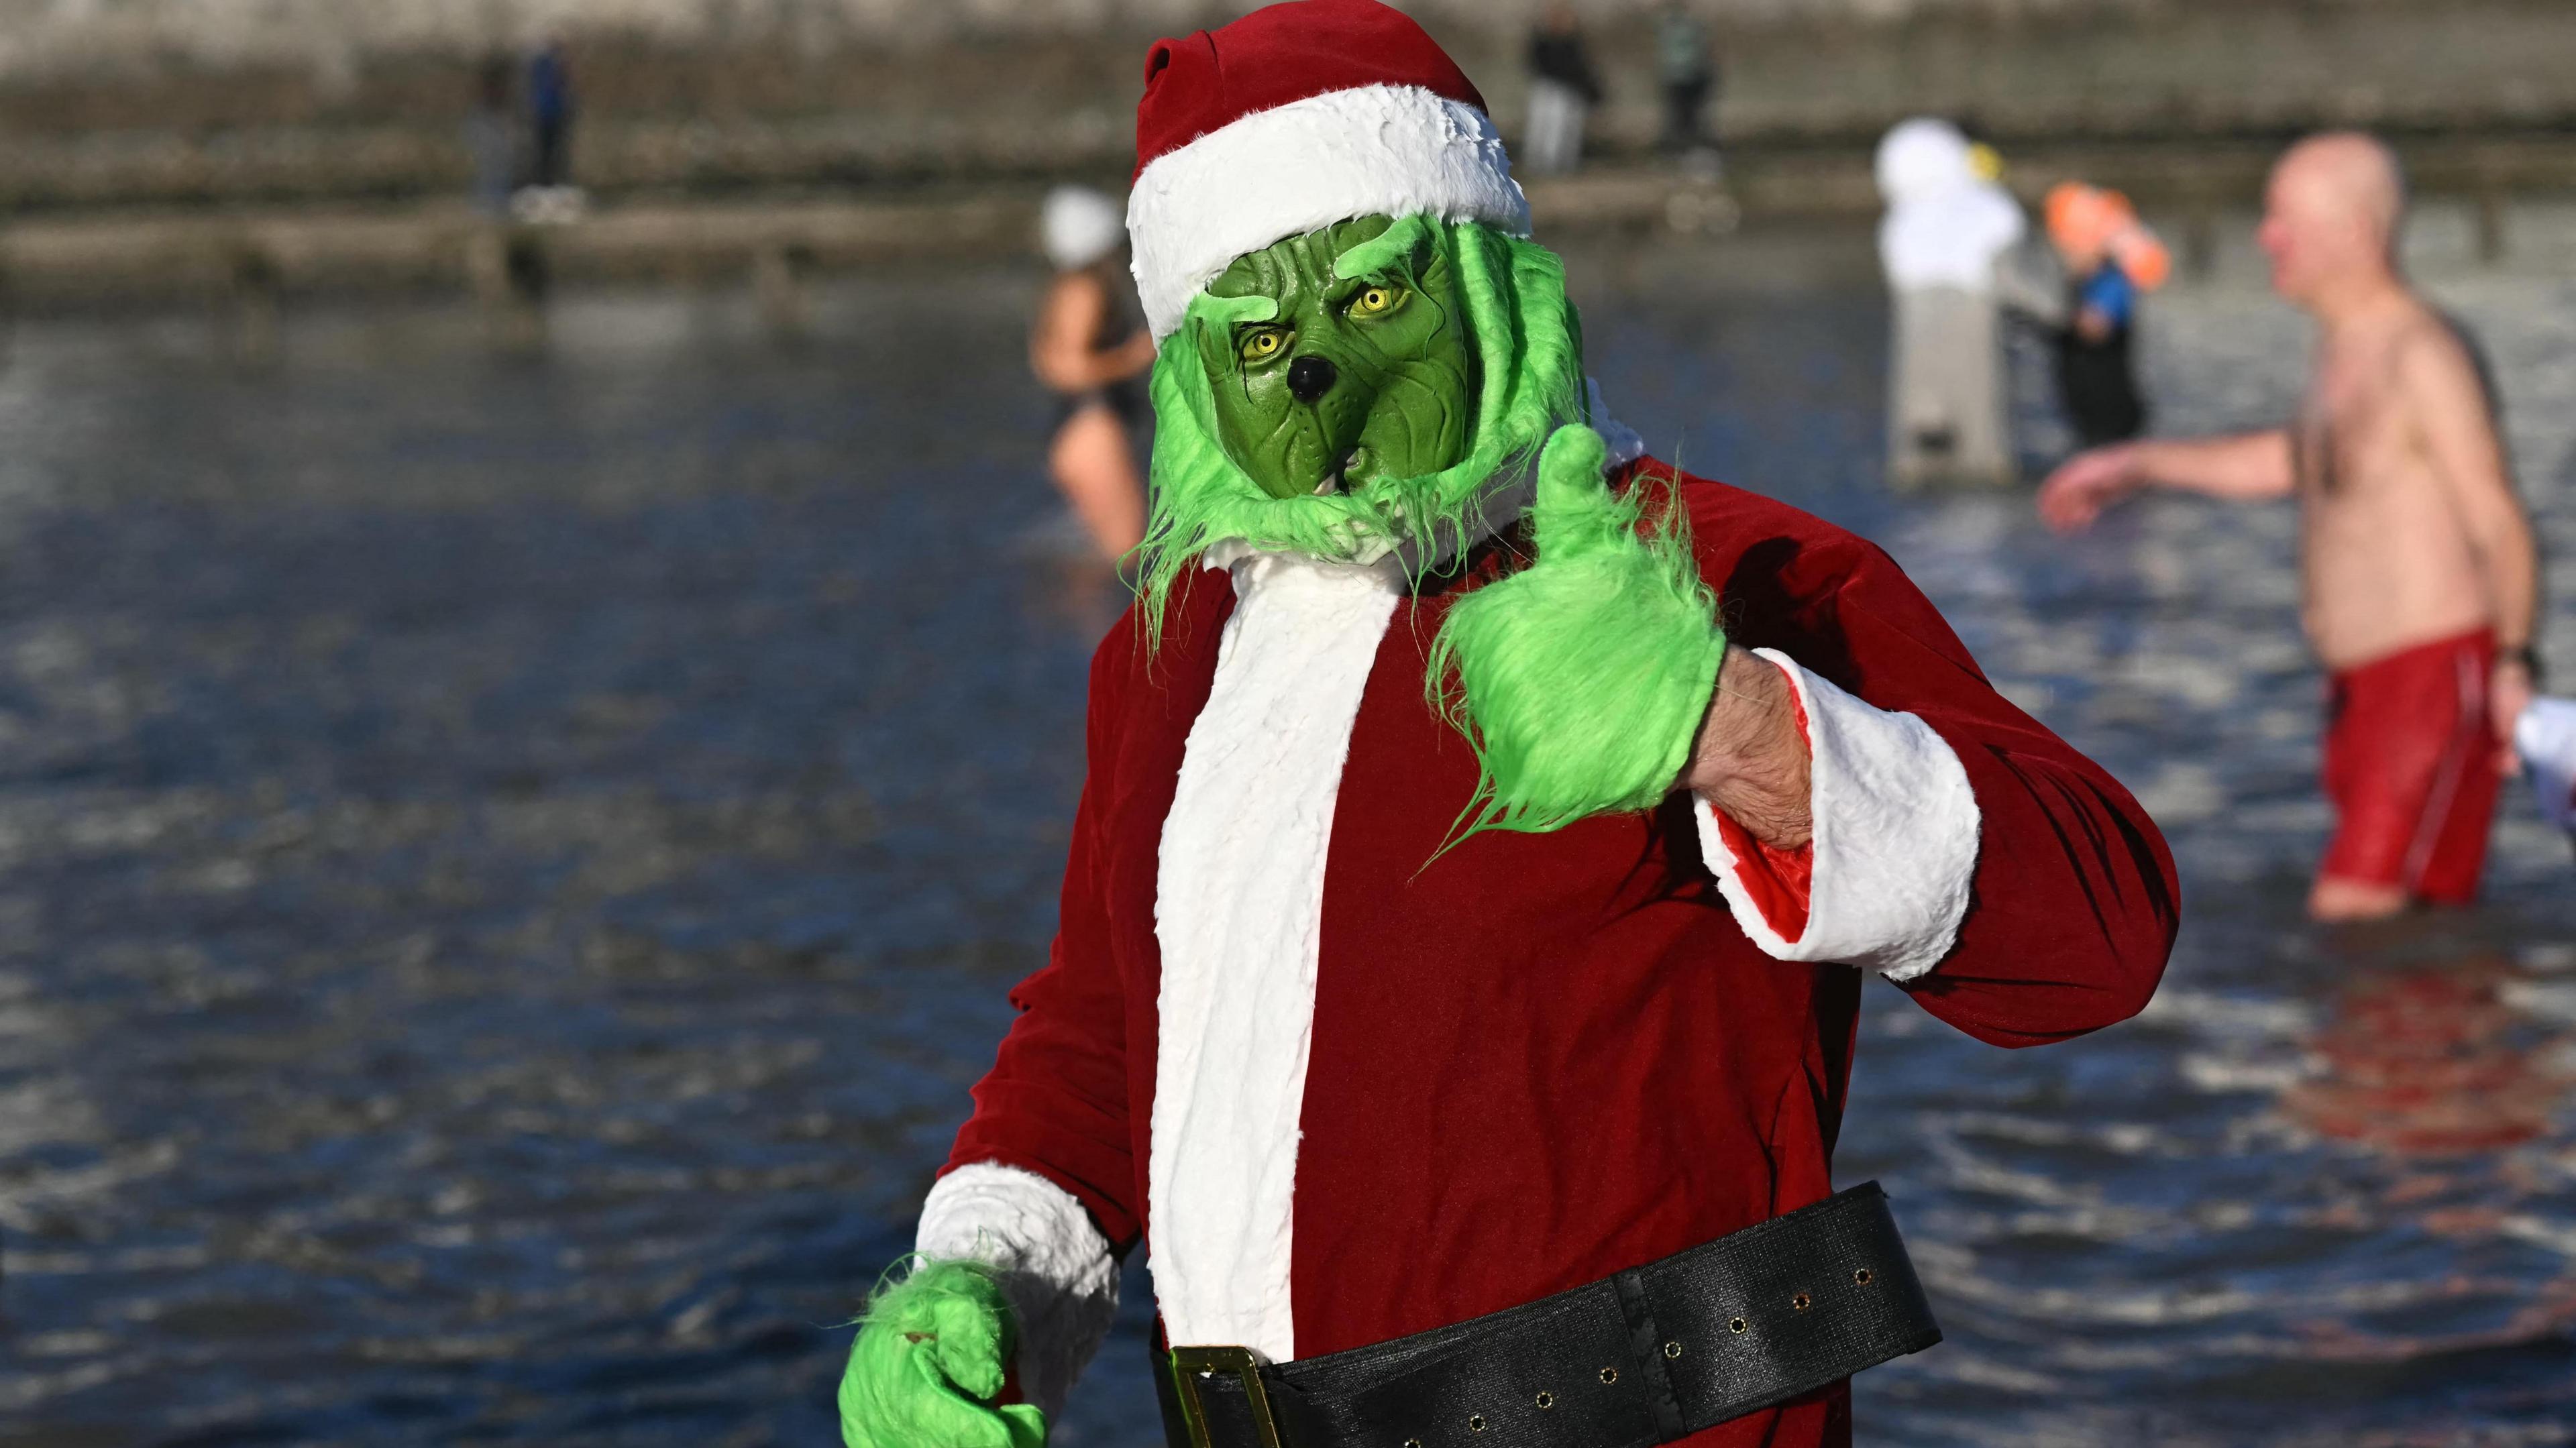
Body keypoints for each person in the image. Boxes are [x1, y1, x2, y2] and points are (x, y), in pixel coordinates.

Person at [834, 7, 2176, 1448]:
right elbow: (1104, 1034)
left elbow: (2097, 943)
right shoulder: (1169, 655)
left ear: (1489, 273)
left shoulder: (1722, 567)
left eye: (1371, 301)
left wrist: (1736, 726)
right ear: (1196, 370)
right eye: (1266, 337)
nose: (1323, 379)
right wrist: (980, 1276)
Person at [2039, 133, 2541, 922]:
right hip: (2362, 690)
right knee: (2414, 934)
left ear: (2355, 232)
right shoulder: (2344, 346)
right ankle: (2443, 1046)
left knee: (2354, 911)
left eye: (2283, 220)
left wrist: (2514, 662)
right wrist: (2139, 462)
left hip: (2433, 679)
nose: (2264, 237)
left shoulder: (2422, 352)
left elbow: (2495, 512)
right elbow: (2293, 461)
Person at [1874, 118, 2026, 488]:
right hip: (1973, 317)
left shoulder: (1902, 223)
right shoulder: (1989, 208)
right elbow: (2015, 279)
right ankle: (1984, 463)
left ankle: (1916, 465)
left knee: (1919, 420)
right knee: (1978, 425)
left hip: (1919, 324)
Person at [1030, 186, 1156, 559]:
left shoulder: (1065, 288)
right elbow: (1061, 368)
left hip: (1079, 430)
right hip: (1092, 428)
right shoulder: (1085, 289)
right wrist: (1133, 356)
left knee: (1107, 559)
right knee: (1127, 553)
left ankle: (1069, 617)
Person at [2041, 182, 2168, 448]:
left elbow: (2093, 327)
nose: (2065, 254)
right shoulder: (2080, 283)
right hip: (2088, 414)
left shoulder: (2112, 283)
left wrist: (2045, 316)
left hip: (2112, 414)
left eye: (2070, 246)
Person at [1522, 4, 1601, 178]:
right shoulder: (1542, 42)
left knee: (1566, 130)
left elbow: (1581, 69)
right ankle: (1540, 164)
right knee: (1543, 128)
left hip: (1570, 90)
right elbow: (1537, 64)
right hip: (1548, 87)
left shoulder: (1573, 44)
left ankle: (1561, 164)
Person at [1655, 3, 1716, 156]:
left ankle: (1685, 148)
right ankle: (1681, 148)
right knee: (1683, 117)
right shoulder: (1689, 28)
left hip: (1686, 79)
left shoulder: (1674, 29)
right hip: (1681, 79)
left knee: (1686, 117)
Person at [528, 36, 576, 190]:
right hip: (546, 114)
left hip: (554, 114)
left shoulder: (549, 66)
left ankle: (552, 182)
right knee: (545, 151)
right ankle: (545, 183)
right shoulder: (546, 66)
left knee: (554, 151)